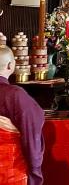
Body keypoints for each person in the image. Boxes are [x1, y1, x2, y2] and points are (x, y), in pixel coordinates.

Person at [0, 45, 44, 185]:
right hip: (10, 170)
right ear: (10, 65)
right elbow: (32, 132)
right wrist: (35, 169)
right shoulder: (15, 95)